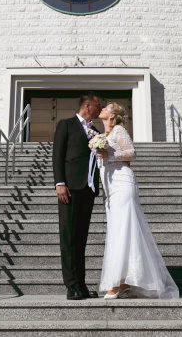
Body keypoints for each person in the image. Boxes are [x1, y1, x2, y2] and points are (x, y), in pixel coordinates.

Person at [95, 102, 179, 299]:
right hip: (111, 186)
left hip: (123, 182)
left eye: (107, 108)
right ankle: (123, 282)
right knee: (118, 230)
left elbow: (132, 153)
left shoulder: (119, 130)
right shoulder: (103, 135)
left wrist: (110, 154)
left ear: (113, 116)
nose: (103, 109)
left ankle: (116, 283)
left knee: (123, 229)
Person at [52, 93, 103, 300]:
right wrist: (60, 183)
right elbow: (57, 155)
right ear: (88, 106)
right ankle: (71, 286)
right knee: (69, 238)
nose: (101, 110)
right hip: (70, 189)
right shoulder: (66, 124)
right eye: (99, 106)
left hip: (88, 190)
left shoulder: (96, 131)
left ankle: (81, 285)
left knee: (81, 239)